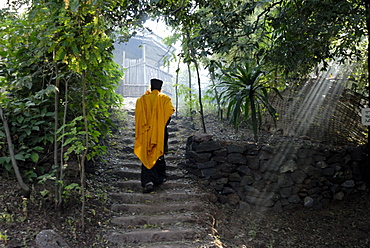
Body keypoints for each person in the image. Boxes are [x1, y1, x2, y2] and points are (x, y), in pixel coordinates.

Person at [134, 78, 175, 193]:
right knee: (159, 154)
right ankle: (159, 179)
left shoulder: (141, 100)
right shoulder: (165, 99)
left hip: (145, 133)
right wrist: (159, 126)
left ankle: (148, 181)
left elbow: (138, 118)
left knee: (146, 154)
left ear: (150, 88)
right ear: (160, 88)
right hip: (160, 132)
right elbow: (169, 114)